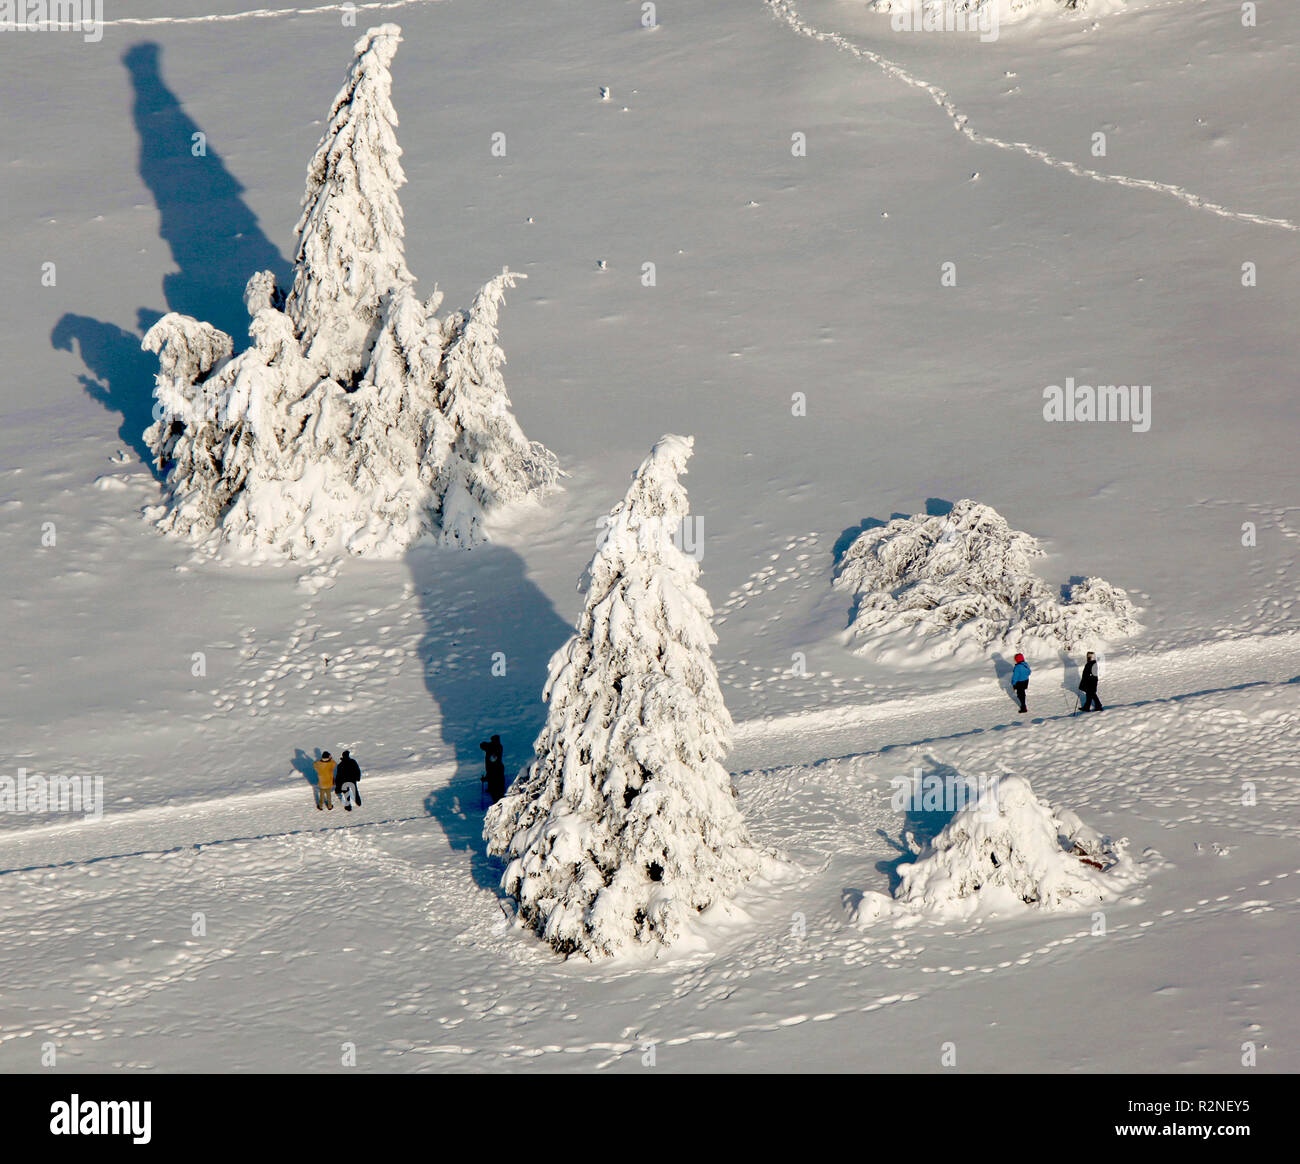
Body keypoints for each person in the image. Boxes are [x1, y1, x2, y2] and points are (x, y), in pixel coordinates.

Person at [480, 734, 506, 803]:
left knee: (496, 785)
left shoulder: (494, 747)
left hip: (494, 769)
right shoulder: (497, 746)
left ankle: (497, 800)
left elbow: (483, 745)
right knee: (497, 783)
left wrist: (486, 778)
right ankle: (496, 795)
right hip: (497, 768)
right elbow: (483, 745)